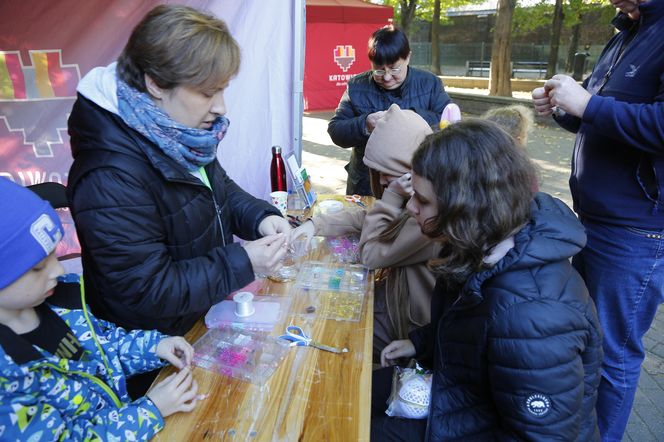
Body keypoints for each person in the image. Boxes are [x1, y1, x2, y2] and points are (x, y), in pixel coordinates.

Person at [66, 5, 290, 339]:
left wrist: (259, 217)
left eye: (222, 89)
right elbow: (145, 290)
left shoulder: (178, 134)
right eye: (206, 92)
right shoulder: (108, 177)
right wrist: (242, 262)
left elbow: (218, 190)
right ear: (155, 84)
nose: (221, 107)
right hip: (155, 351)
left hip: (201, 317)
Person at [371, 120, 603, 441]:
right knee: (356, 394)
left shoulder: (530, 316)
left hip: (477, 420)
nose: (410, 207)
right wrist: (421, 342)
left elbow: (541, 436)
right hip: (462, 395)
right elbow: (469, 331)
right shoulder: (476, 245)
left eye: (423, 201)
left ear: (465, 206)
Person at [531, 0, 664, 439]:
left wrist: (587, 105)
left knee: (613, 354)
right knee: (586, 340)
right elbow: (603, 115)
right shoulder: (628, 30)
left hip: (635, 231)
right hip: (593, 218)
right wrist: (565, 109)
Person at [0, 178, 203, 440]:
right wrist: (150, 410)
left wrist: (155, 347)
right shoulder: (8, 379)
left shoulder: (58, 303)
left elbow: (103, 346)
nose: (59, 270)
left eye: (55, 254)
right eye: (38, 266)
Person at [294, 104, 440, 361]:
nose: (382, 181)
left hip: (412, 324)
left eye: (387, 174)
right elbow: (366, 216)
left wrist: (391, 198)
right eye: (378, 173)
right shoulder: (420, 194)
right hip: (397, 298)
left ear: (410, 169)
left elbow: (371, 256)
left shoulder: (426, 216)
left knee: (333, 333)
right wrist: (315, 224)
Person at [327, 24, 452, 197]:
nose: (386, 77)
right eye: (378, 70)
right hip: (367, 181)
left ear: (407, 57)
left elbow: (448, 123)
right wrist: (365, 124)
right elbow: (336, 130)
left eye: (394, 69)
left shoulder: (430, 83)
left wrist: (410, 119)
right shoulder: (356, 86)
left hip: (417, 181)